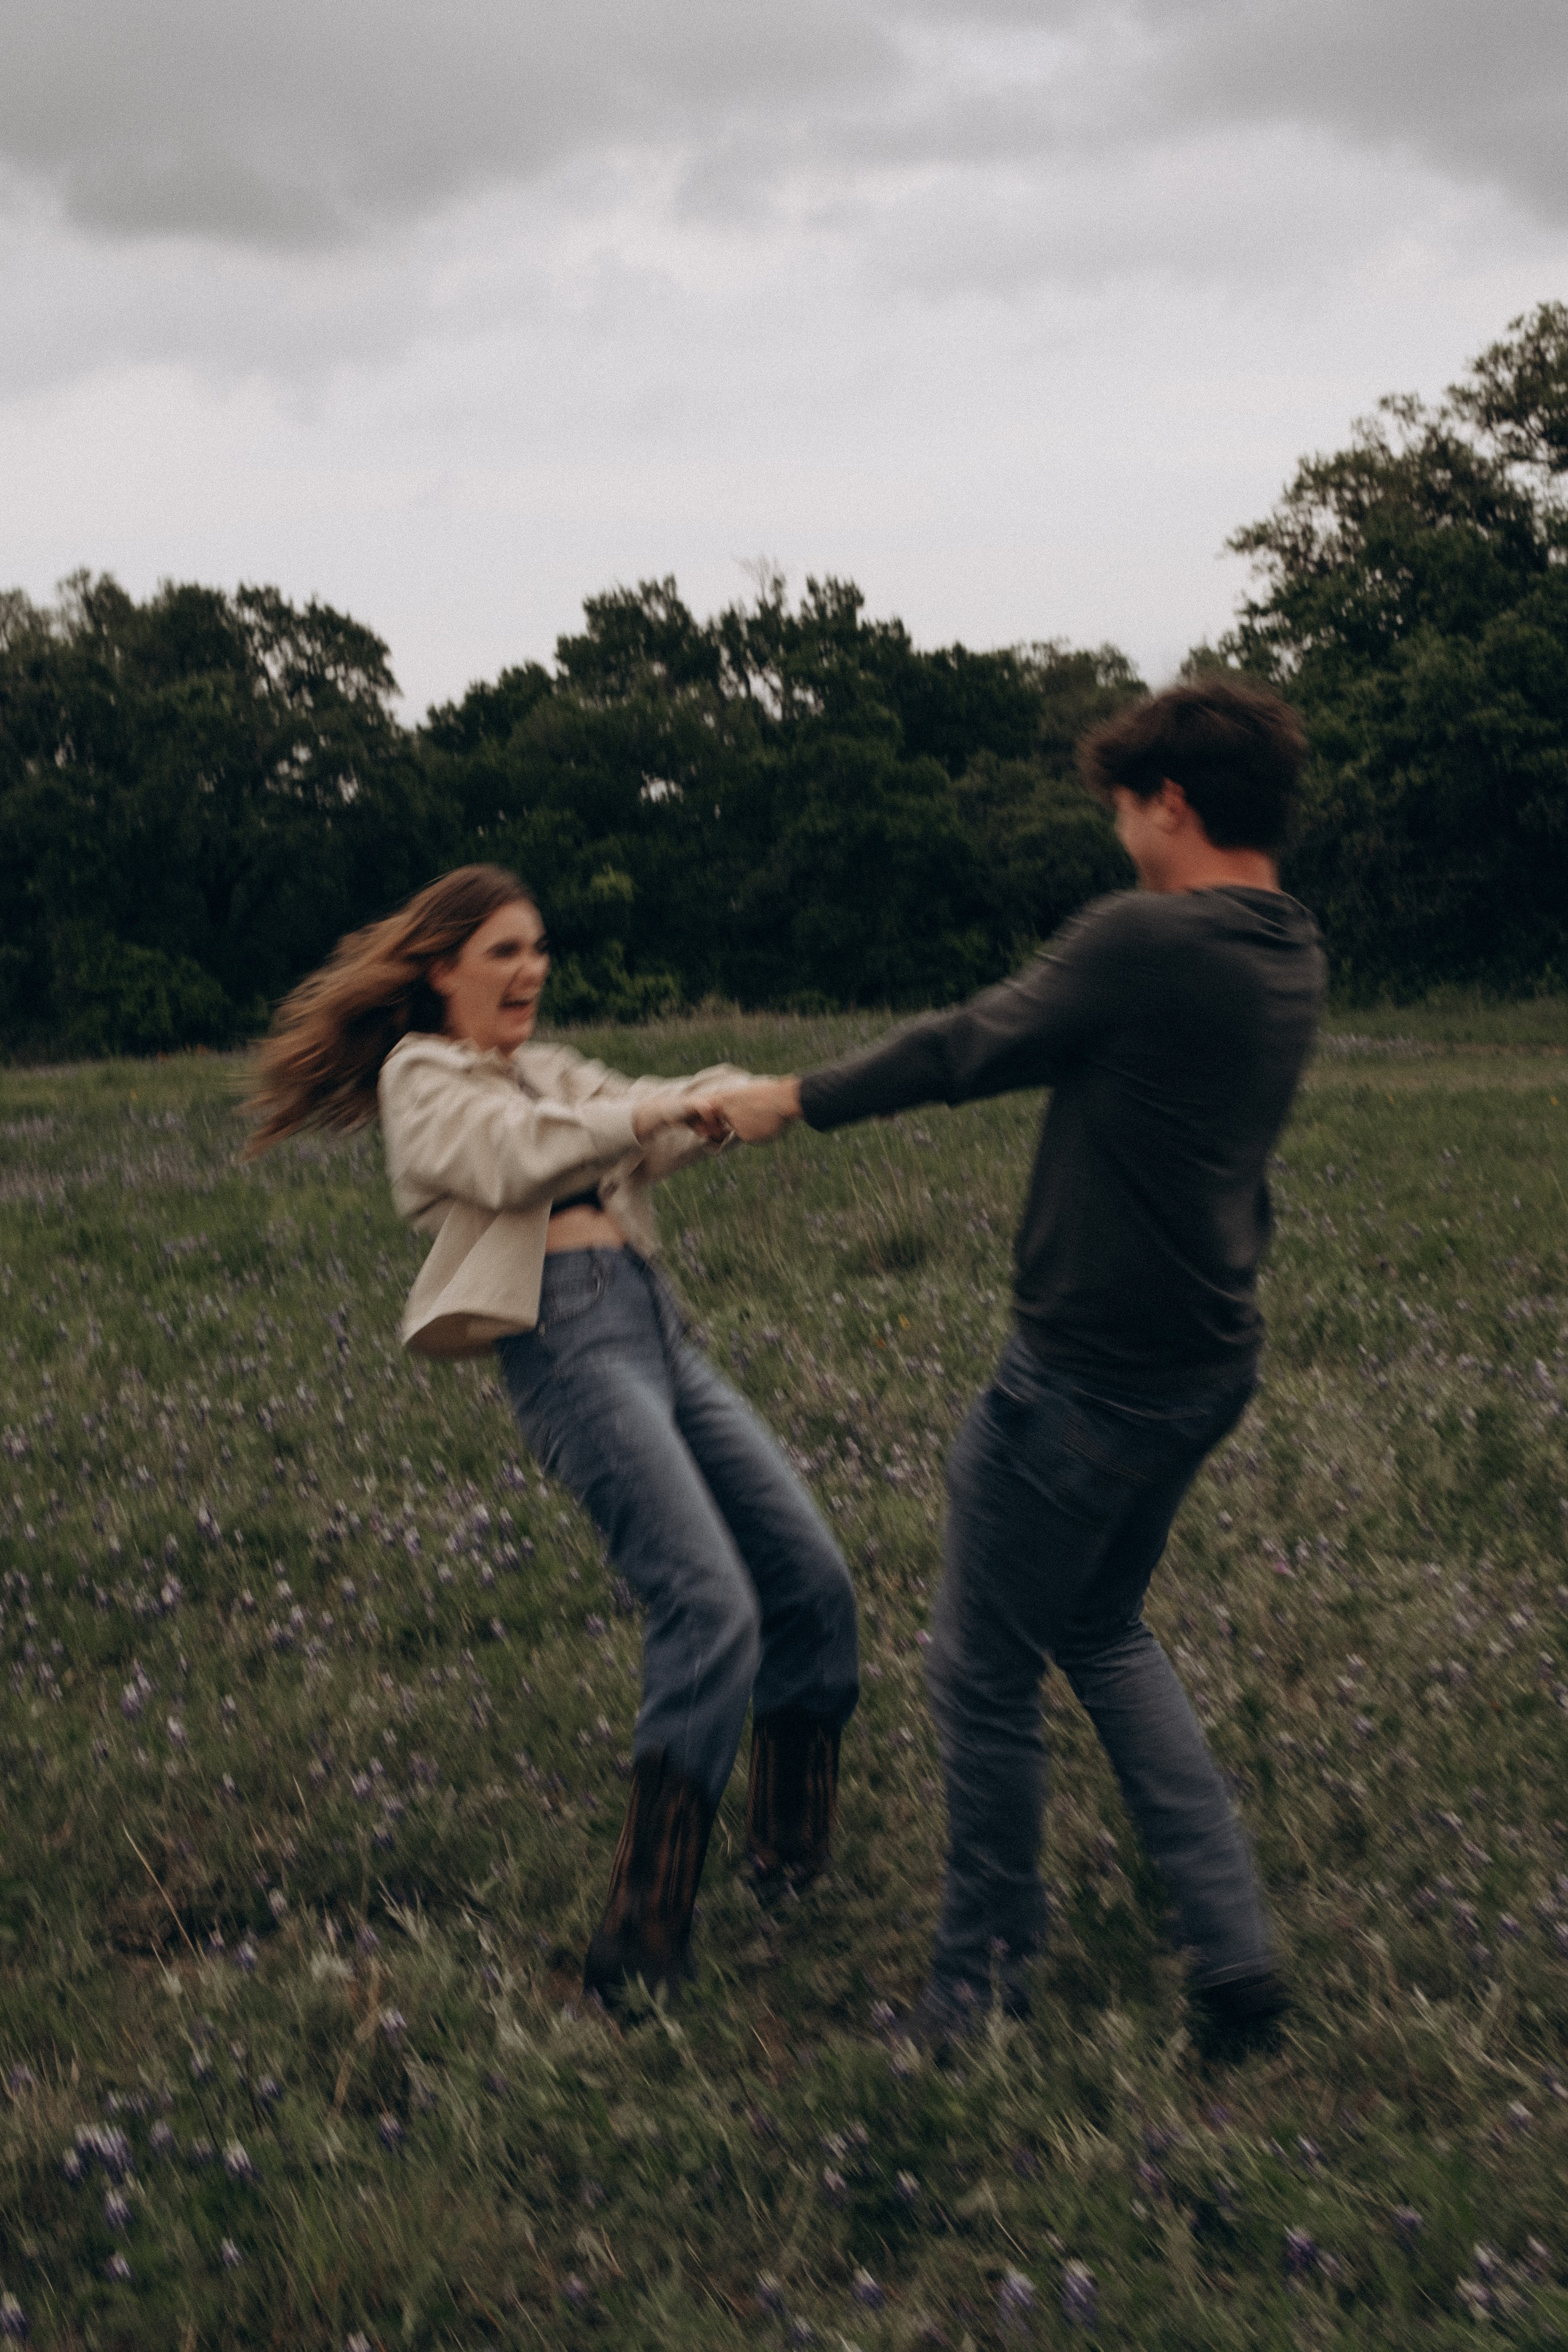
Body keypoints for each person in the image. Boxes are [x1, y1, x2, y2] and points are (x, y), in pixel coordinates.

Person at [688, 678, 1326, 2048]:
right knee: (1096, 1629)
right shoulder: (1287, 946)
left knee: (980, 1677)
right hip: (1201, 1368)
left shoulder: (1149, 936)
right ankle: (1230, 1962)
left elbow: (969, 1042)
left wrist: (787, 1101)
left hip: (1080, 1383)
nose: (1120, 839)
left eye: (1121, 811)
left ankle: (976, 1992)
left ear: (1168, 804)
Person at [247, 865, 859, 2005]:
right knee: (707, 1603)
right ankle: (638, 1949)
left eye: (538, 950)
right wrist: (655, 1113)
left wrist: (747, 1095)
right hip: (567, 1342)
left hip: (653, 1324)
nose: (530, 971)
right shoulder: (422, 1078)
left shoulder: (549, 1071)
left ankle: (790, 1864)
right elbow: (520, 1155)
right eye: (503, 954)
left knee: (812, 1582)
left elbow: (641, 1110)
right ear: (441, 968)